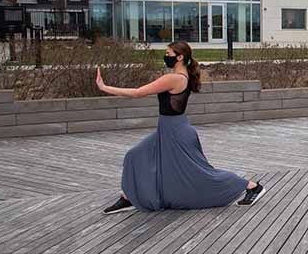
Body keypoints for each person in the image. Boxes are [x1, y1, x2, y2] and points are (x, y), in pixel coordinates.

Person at [97, 41, 265, 214]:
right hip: (170, 129)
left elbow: (139, 92)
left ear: (180, 57)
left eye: (168, 54)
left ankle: (252, 187)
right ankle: (129, 197)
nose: (166, 57)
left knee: (202, 173)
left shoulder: (174, 78)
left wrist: (104, 87)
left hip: (176, 132)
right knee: (135, 155)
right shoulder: (183, 75)